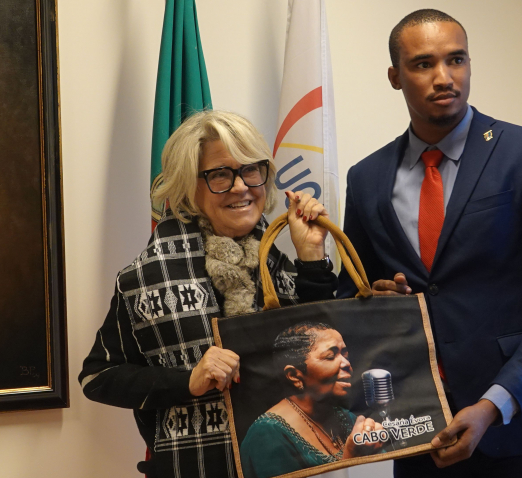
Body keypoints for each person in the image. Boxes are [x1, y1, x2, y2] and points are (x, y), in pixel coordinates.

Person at [336, 9, 522, 477]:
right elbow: (351, 301)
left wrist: (493, 405)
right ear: (395, 76)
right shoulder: (366, 178)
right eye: (424, 64)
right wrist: (373, 299)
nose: (444, 77)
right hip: (419, 437)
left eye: (456, 60)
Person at [80, 110, 336, 478]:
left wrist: (312, 257)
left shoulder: (286, 264)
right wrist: (187, 380)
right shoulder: (145, 276)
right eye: (219, 174)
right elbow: (98, 377)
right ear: (189, 186)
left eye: (252, 169)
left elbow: (328, 351)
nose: (240, 186)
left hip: (286, 466)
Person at [239, 322, 385, 478]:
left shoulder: (344, 416)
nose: (347, 364)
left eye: (345, 354)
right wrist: (350, 458)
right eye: (330, 356)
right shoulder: (265, 436)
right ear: (294, 375)